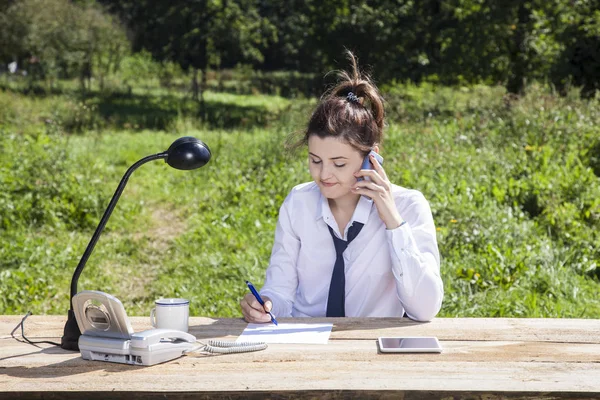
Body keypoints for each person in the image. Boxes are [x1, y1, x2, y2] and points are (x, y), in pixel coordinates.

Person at [240, 52, 443, 322]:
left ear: (372, 157)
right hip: (303, 342)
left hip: (369, 348)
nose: (324, 175)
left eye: (339, 164)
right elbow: (281, 290)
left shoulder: (409, 205)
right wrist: (265, 304)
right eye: (315, 160)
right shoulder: (299, 202)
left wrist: (393, 222)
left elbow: (426, 309)